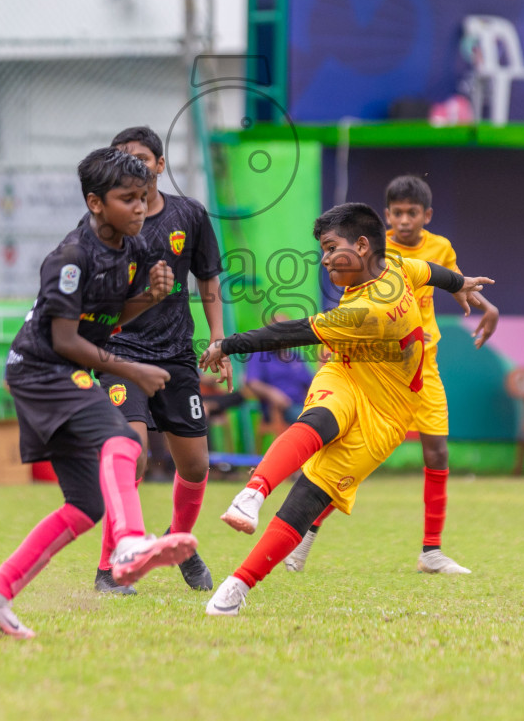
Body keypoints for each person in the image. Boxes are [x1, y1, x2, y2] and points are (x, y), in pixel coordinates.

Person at [196, 202, 492, 616]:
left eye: (331, 247)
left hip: (388, 415)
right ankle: (253, 493)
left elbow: (291, 332)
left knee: (308, 500)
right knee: (321, 417)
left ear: (363, 245)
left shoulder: (367, 311)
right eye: (321, 248)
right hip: (347, 375)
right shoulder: (398, 267)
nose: (324, 258)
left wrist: (226, 343)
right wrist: (459, 283)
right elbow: (431, 272)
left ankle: (236, 586)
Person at [0, 147, 197, 639]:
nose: (139, 208)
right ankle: (129, 542)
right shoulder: (70, 258)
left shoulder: (130, 250)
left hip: (62, 371)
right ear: (94, 203)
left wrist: (149, 297)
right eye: (126, 199)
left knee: (84, 507)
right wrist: (135, 369)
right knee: (125, 443)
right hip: (43, 371)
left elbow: (107, 322)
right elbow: (67, 340)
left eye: (143, 197)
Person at [284, 175, 499, 576]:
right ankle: (305, 534)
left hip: (423, 365)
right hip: (375, 365)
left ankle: (431, 551)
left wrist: (489, 306)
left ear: (426, 215)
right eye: (396, 213)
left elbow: (455, 283)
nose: (403, 220)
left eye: (411, 212)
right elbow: (348, 300)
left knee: (436, 452)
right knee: (355, 457)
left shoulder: (440, 248)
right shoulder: (371, 246)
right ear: (386, 217)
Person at [91, 125, 225, 595]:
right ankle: (112, 564)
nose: (132, 163)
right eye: (121, 156)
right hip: (120, 354)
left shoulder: (190, 214)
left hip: (176, 357)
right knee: (131, 456)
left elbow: (208, 280)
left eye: (141, 157)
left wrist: (219, 340)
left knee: (194, 465)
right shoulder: (109, 220)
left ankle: (178, 542)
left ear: (160, 165)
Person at [241, 312, 314, 433]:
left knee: (326, 416)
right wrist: (272, 393)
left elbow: (310, 382)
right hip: (278, 408)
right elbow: (253, 382)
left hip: (303, 405)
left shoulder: (295, 356)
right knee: (312, 422)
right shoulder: (259, 354)